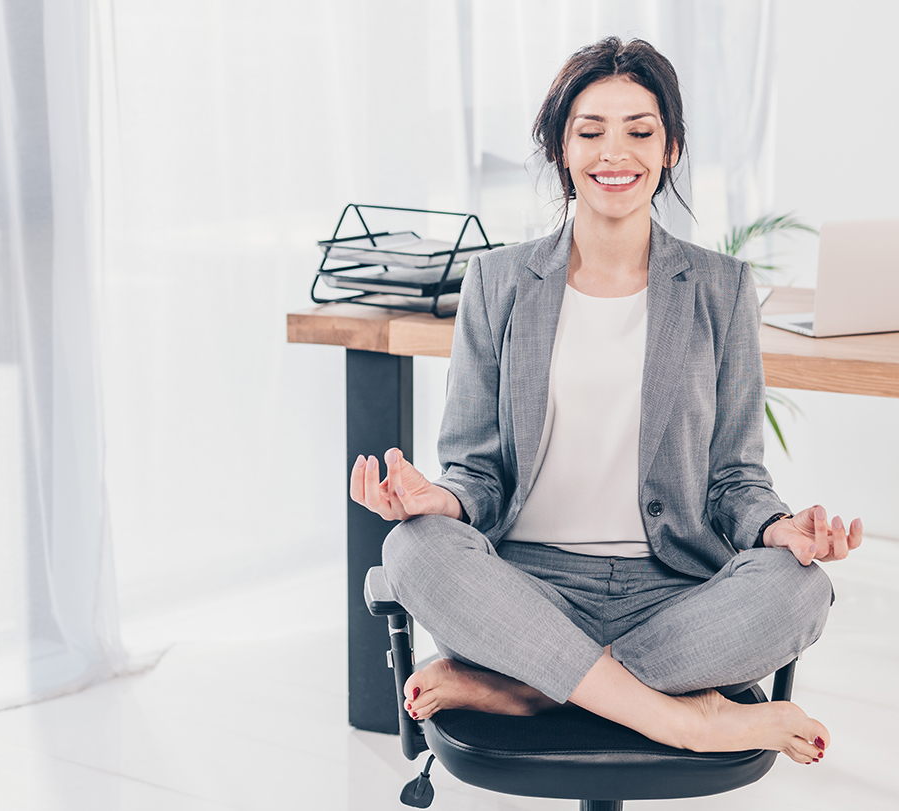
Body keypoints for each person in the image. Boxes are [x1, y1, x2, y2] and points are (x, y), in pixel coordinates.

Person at [349, 36, 862, 764]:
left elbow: (734, 478)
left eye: (640, 132)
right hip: (528, 585)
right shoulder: (496, 283)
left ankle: (524, 684)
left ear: (672, 148)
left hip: (674, 593)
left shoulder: (722, 288)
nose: (612, 153)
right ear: (562, 149)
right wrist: (440, 501)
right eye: (589, 132)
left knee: (800, 589)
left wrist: (779, 529)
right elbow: (477, 472)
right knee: (413, 547)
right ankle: (687, 717)